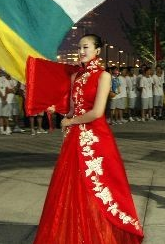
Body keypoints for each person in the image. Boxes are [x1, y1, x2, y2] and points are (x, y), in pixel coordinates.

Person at [34, 34, 143, 243]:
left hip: (96, 137)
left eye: (86, 47)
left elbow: (97, 112)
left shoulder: (104, 76)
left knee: (100, 184)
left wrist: (70, 122)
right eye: (79, 47)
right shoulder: (75, 77)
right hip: (75, 136)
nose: (81, 51)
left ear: (97, 51)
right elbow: (73, 110)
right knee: (71, 185)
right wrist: (59, 112)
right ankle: (74, 231)